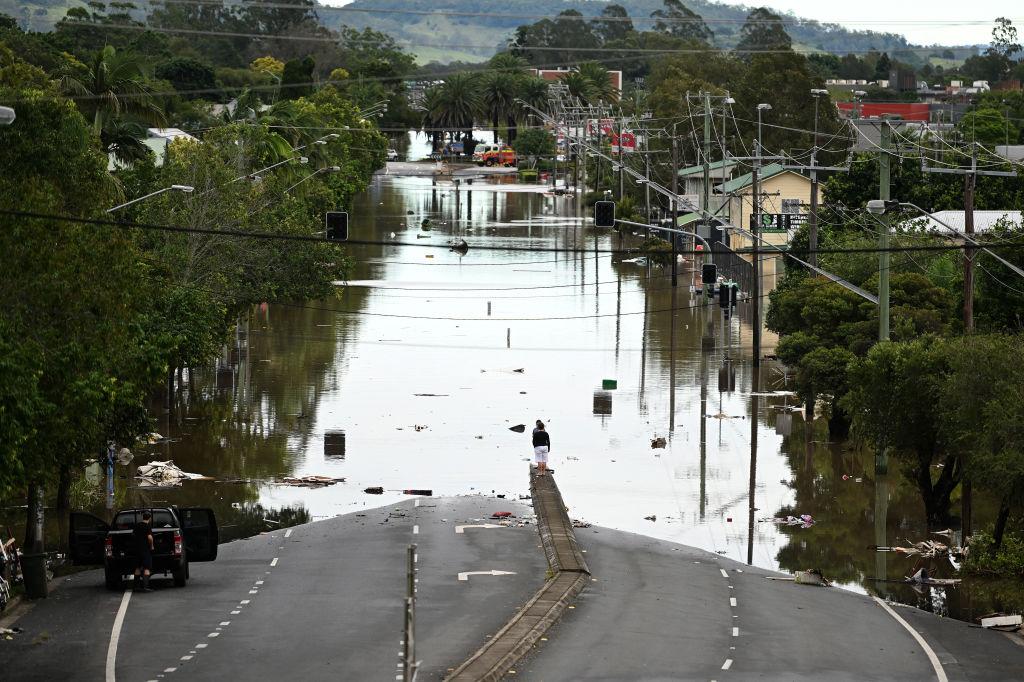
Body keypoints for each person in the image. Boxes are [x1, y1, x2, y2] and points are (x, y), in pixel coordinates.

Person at [132, 511, 155, 592]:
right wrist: (151, 545)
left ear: (143, 517)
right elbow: (149, 537)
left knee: (137, 567)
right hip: (145, 550)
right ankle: (145, 587)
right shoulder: (147, 526)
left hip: (137, 549)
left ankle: (136, 587)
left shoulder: (137, 525)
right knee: (146, 568)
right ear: (150, 518)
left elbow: (133, 535)